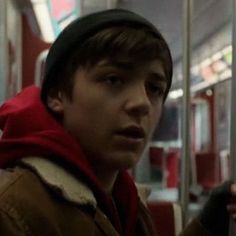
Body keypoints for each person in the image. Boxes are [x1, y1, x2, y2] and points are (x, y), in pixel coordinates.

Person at [0, 8, 235, 236]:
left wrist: (208, 224)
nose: (142, 103)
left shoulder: (123, 199)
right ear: (56, 94)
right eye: (113, 80)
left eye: (154, 88)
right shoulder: (14, 214)